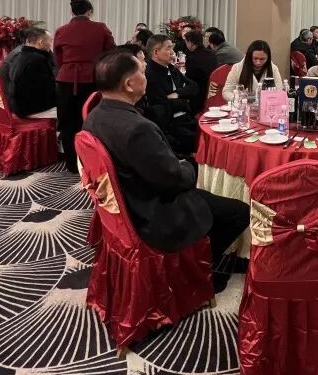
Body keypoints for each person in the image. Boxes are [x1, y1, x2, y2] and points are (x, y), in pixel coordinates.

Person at [83, 49, 249, 276]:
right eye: (142, 72)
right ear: (129, 84)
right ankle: (200, 268)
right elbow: (175, 180)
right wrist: (191, 165)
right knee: (239, 212)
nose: (147, 76)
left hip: (125, 201)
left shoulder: (94, 116)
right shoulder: (137, 129)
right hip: (152, 211)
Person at [54, 0, 116, 172]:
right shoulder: (100, 28)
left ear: (72, 12)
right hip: (92, 79)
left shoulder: (61, 31)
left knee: (67, 123)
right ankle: (93, 162)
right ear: (90, 12)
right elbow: (111, 53)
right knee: (93, 120)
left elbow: (58, 59)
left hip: (66, 80)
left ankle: (72, 164)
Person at [143, 35, 200, 155]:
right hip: (171, 125)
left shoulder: (170, 68)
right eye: (168, 48)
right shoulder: (150, 75)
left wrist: (178, 93)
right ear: (156, 52)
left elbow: (194, 87)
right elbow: (162, 106)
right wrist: (184, 101)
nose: (173, 52)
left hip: (186, 118)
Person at [2, 27, 58, 118]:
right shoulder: (37, 59)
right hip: (29, 109)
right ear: (40, 42)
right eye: (50, 41)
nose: (50, 45)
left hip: (18, 105)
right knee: (70, 108)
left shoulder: (22, 54)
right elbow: (49, 89)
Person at [182, 29, 216, 113]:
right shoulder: (211, 53)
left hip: (199, 96)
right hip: (212, 91)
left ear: (190, 42)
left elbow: (189, 80)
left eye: (186, 42)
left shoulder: (192, 58)